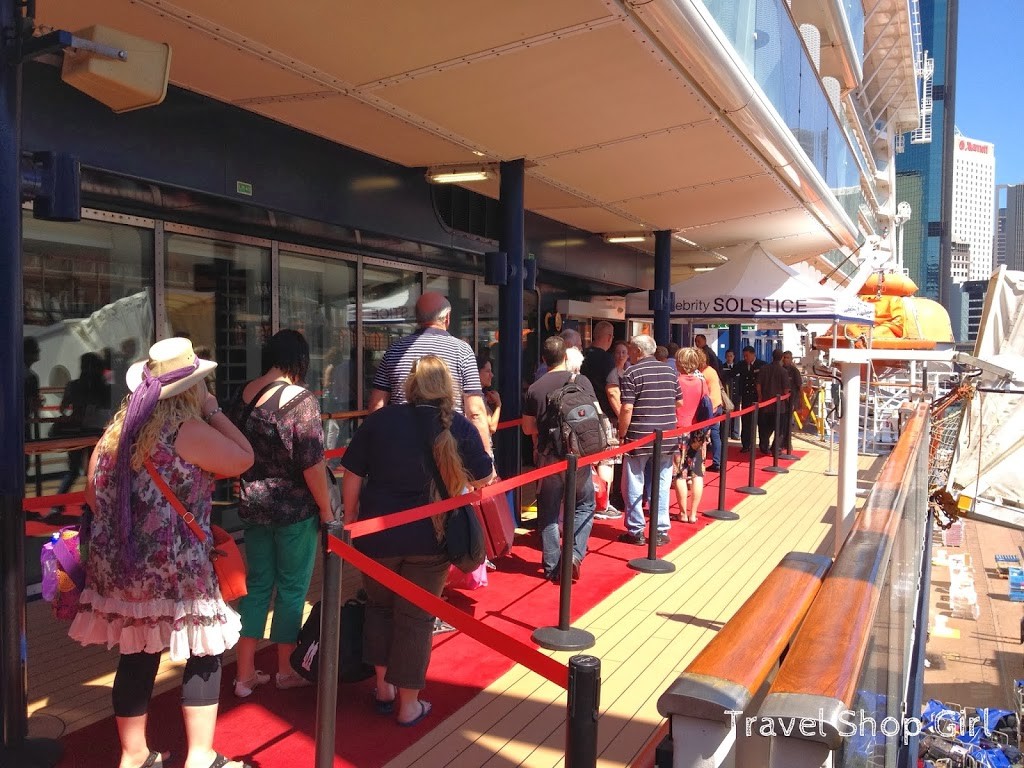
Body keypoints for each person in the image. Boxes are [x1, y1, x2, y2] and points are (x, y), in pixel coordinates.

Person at [68, 338, 254, 768]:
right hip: (179, 567)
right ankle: (201, 756)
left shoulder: (115, 435)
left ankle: (134, 756)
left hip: (124, 567)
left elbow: (94, 497)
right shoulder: (186, 430)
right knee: (204, 652)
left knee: (137, 652)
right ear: (191, 387)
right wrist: (213, 409)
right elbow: (243, 458)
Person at [341, 356, 493, 726]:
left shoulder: (380, 421)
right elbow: (484, 478)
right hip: (432, 539)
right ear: (447, 388)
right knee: (416, 618)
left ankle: (383, 689)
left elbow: (352, 473)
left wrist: (349, 520)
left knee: (378, 609)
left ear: (409, 385)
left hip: (376, 537)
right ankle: (409, 704)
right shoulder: (456, 425)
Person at [229, 330, 336, 697]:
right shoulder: (300, 399)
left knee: (257, 587)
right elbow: (312, 465)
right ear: (299, 360)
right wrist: (326, 508)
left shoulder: (244, 394)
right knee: (292, 590)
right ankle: (286, 670)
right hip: (294, 511)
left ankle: (244, 674)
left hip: (253, 505)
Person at [368, 292, 491, 455]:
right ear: (447, 318)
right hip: (450, 451)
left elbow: (377, 406)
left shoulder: (394, 350)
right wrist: (486, 455)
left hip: (402, 449)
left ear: (418, 319)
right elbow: (475, 412)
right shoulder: (462, 351)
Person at [522, 336, 597, 580]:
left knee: (548, 511)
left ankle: (553, 567)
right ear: (566, 356)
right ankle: (574, 555)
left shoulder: (535, 388)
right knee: (585, 504)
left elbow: (528, 428)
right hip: (579, 454)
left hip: (549, 455)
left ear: (544, 359)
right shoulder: (582, 380)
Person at [617, 335, 682, 546]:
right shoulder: (670, 370)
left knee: (635, 482)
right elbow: (679, 401)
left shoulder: (631, 372)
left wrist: (621, 434)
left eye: (630, 349)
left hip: (638, 436)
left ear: (637, 351)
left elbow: (627, 407)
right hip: (666, 435)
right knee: (662, 482)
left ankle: (636, 530)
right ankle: (660, 529)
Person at [49, 352, 113, 517]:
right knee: (94, 469)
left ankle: (57, 504)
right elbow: (108, 406)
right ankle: (89, 503)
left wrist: (76, 412)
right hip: (97, 430)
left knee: (73, 470)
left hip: (77, 430)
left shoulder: (74, 385)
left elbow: (63, 407)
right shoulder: (103, 388)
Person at [580, 321, 620, 519]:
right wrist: (622, 416)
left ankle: (587, 500)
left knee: (587, 461)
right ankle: (603, 503)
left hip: (581, 415)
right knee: (607, 460)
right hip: (604, 416)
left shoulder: (583, 356)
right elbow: (612, 391)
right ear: (609, 338)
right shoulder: (607, 360)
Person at [672, 348, 711, 523]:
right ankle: (693, 513)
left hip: (679, 430)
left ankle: (682, 512)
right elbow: (707, 406)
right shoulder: (702, 382)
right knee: (697, 473)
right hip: (698, 431)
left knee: (680, 473)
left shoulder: (676, 381)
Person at [757, 349, 789, 454]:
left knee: (764, 428)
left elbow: (758, 385)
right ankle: (775, 448)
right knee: (779, 429)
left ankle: (764, 446)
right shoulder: (783, 372)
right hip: (779, 406)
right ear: (781, 358)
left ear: (772, 356)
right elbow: (786, 390)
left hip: (765, 403)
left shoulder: (763, 369)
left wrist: (760, 397)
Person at [696, 349, 724, 472]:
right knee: (715, 435)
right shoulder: (711, 371)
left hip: (711, 408)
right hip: (717, 405)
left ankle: (700, 463)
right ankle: (717, 461)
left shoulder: (704, 373)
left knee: (704, 436)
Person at [733, 346, 764, 452]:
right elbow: (731, 373)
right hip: (746, 397)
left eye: (747, 355)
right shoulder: (741, 365)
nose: (745, 358)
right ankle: (746, 445)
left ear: (753, 354)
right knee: (746, 422)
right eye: (744, 356)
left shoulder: (761, 364)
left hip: (758, 398)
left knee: (760, 422)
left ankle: (762, 445)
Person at [781, 350, 803, 453]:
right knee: (782, 423)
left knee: (789, 423)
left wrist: (799, 403)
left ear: (791, 359)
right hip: (781, 401)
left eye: (787, 358)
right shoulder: (780, 370)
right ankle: (782, 443)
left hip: (791, 401)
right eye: (784, 357)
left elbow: (800, 387)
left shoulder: (794, 371)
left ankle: (788, 444)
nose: (785, 359)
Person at [477, 354, 501, 435]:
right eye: (488, 371)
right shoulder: (477, 397)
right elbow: (492, 427)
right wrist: (498, 404)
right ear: (477, 373)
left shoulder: (479, 395)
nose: (492, 375)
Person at [722, 349, 740, 438]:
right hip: (726, 395)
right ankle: (726, 432)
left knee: (736, 414)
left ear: (734, 357)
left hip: (735, 395)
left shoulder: (737, 367)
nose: (729, 358)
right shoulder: (723, 367)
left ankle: (735, 433)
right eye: (728, 356)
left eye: (731, 356)